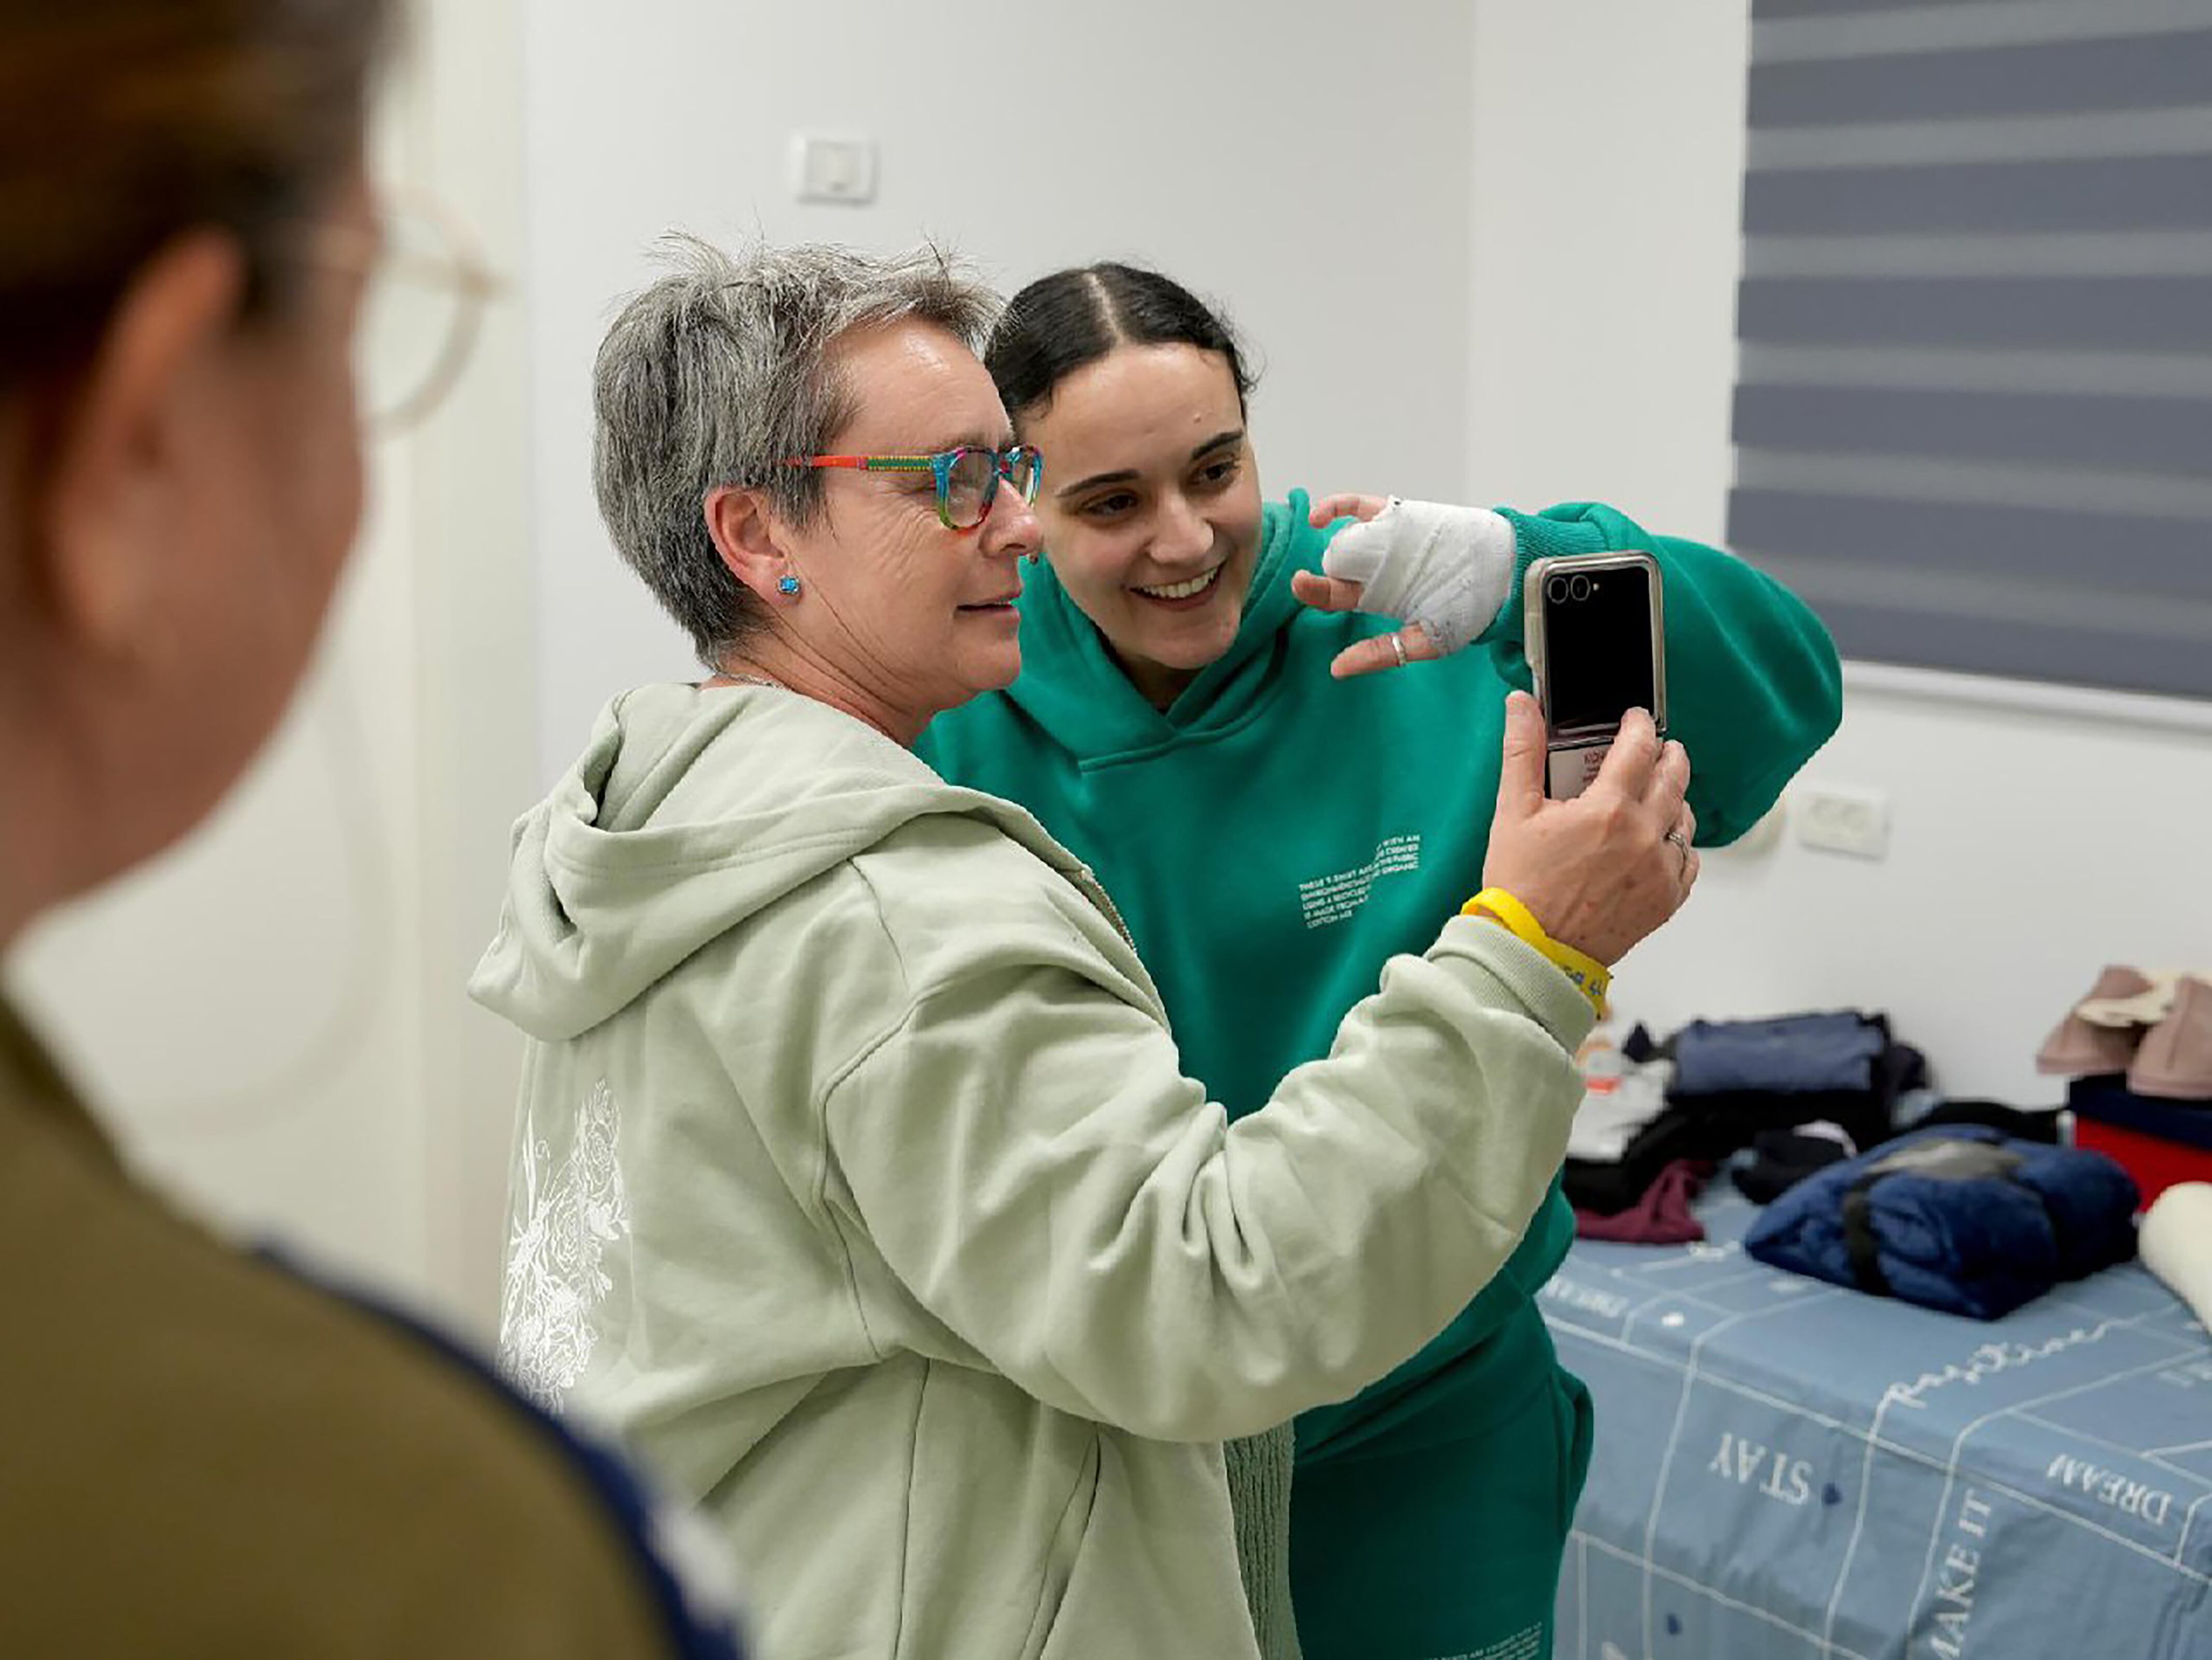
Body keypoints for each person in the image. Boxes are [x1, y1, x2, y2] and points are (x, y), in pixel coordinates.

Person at [474, 235, 1701, 1660]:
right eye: (951, 482)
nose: (1015, 525)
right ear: (755, 538)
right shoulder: (890, 913)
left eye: (1007, 469)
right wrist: (1529, 949)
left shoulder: (656, 826)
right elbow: (1215, 1295)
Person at [914, 262, 1844, 1659]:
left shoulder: (1403, 605)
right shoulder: (958, 700)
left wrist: (1529, 557)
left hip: (1428, 1404)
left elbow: (1786, 687)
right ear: (1020, 500)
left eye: (1214, 469)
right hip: (1109, 1423)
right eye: (1110, 502)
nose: (1181, 540)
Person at [0, 6, 744, 1655]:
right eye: (365, 303)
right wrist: (1478, 941)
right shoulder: (388, 1555)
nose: (1019, 524)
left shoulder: (608, 823)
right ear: (147, 426)